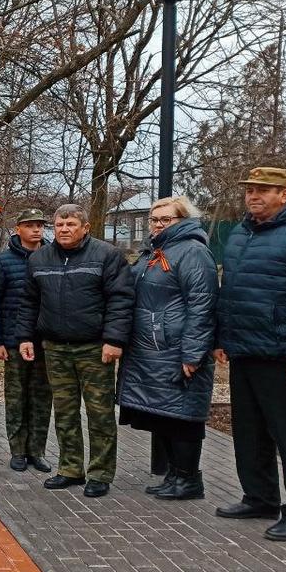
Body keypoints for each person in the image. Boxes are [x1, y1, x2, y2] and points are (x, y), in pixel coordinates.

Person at [214, 167, 286, 541]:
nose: (253, 196)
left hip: (283, 356)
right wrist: (222, 338)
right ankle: (259, 497)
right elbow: (229, 291)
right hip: (244, 350)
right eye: (249, 189)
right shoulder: (243, 232)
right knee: (249, 432)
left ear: (285, 194)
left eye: (263, 190)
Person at [17, 203, 133, 498]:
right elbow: (29, 302)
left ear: (85, 228)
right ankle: (70, 468)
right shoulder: (40, 258)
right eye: (59, 225)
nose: (64, 229)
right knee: (65, 412)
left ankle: (100, 472)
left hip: (95, 348)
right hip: (55, 347)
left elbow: (120, 300)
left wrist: (114, 340)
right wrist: (25, 337)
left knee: (99, 413)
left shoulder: (106, 256)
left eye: (71, 224)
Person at [116, 196, 217, 502]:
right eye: (154, 219)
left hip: (176, 349)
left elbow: (203, 305)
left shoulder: (193, 252)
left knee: (183, 417)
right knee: (165, 414)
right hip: (151, 349)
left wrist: (193, 353)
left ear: (182, 220)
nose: (158, 224)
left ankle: (189, 479)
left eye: (166, 219)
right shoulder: (154, 251)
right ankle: (175, 475)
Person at [0, 209, 52, 473]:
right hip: (13, 340)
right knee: (16, 397)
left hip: (45, 340)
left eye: (40, 225)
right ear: (18, 229)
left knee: (41, 397)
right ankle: (18, 450)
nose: (36, 230)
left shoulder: (53, 257)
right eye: (30, 225)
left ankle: (38, 450)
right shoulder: (4, 261)